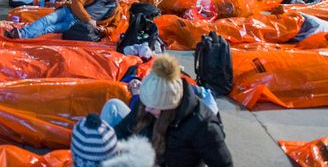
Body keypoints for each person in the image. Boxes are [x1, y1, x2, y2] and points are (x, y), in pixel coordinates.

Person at [100, 55, 233, 167]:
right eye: (146, 103)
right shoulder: (150, 100)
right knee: (113, 107)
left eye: (152, 108)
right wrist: (105, 147)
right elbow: (125, 128)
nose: (146, 108)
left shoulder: (202, 124)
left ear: (168, 107)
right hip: (147, 153)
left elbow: (224, 164)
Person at [5, 0, 125, 40]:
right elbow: (76, 2)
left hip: (77, 24)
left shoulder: (116, 10)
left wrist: (104, 29)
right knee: (47, 19)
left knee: (50, 28)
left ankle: (23, 36)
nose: (117, 0)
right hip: (68, 11)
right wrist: (89, 19)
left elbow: (113, 27)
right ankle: (22, 34)